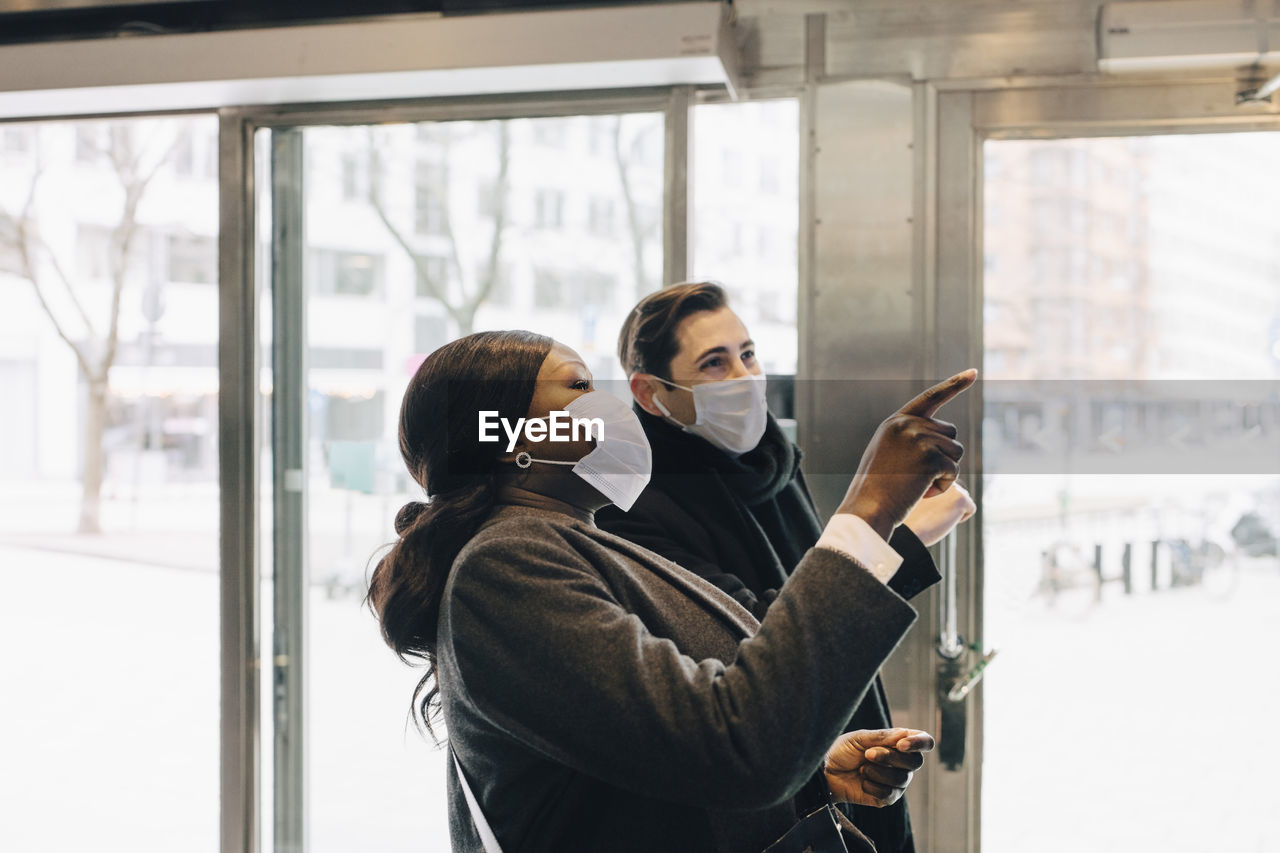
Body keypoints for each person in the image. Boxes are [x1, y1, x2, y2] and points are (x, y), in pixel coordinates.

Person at [368, 329, 974, 852]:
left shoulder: (575, 545)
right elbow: (736, 748)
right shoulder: (506, 565)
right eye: (578, 387)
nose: (604, 403)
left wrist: (810, 773)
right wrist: (868, 509)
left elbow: (650, 755)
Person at [597, 281, 977, 853]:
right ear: (651, 394)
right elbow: (764, 639)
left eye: (748, 354)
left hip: (849, 754)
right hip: (772, 798)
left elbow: (815, 590)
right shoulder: (633, 507)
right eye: (714, 364)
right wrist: (904, 533)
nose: (745, 377)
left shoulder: (771, 462)